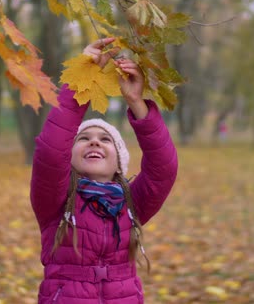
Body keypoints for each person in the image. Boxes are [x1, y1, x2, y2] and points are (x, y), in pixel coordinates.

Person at [30, 37, 178, 303]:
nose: (94, 141)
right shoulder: (55, 202)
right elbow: (51, 151)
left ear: (119, 162)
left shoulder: (132, 204)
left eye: (105, 139)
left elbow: (163, 170)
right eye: (83, 138)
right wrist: (82, 80)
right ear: (70, 156)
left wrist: (136, 103)